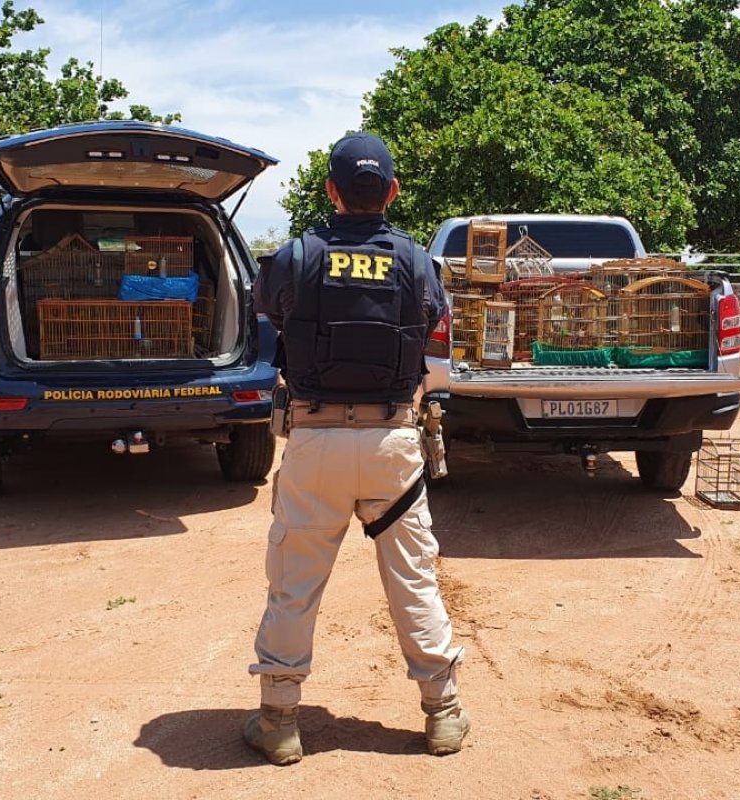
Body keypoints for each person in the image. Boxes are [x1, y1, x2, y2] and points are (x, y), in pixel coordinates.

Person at [246, 132, 469, 765]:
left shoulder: (294, 256)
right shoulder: (418, 262)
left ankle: (280, 720)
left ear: (331, 191)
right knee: (413, 580)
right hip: (393, 444)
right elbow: (434, 339)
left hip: (315, 441)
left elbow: (269, 313)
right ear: (392, 192)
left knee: (294, 584)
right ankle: (442, 713)